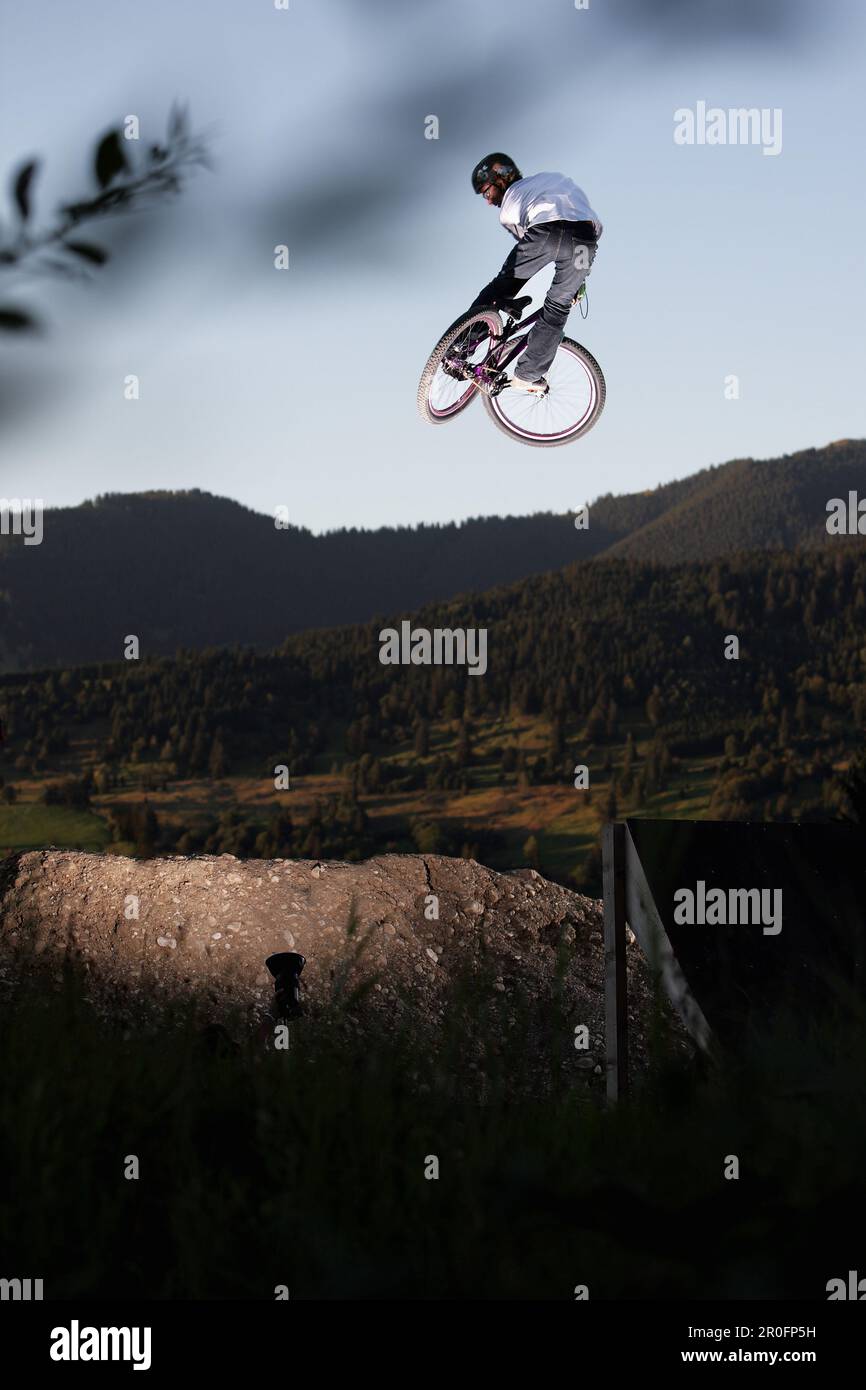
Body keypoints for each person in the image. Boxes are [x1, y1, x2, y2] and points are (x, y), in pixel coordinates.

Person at [467, 153, 602, 393]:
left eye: (487, 193)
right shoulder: (554, 178)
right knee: (559, 307)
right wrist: (578, 281)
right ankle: (528, 375)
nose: (488, 201)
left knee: (504, 285)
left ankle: (461, 346)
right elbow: (592, 226)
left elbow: (533, 247)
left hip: (545, 232)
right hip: (584, 239)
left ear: (500, 179)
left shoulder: (509, 204)